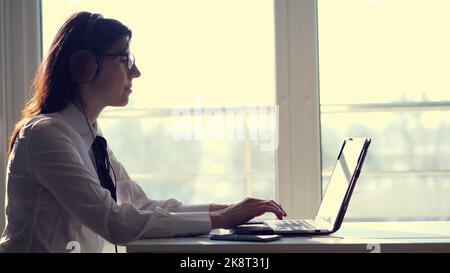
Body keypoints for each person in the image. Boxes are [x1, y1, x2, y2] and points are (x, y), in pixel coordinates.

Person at [0, 12, 286, 253]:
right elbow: (114, 222)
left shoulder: (90, 137)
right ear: (86, 66)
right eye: (124, 58)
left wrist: (225, 209)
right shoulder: (45, 136)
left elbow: (141, 204)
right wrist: (220, 218)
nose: (135, 71)